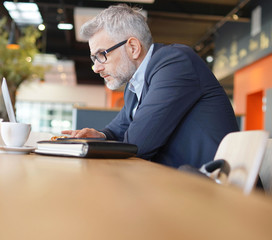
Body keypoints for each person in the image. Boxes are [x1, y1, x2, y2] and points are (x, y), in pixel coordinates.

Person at [62, 4, 239, 168]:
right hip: (181, 184)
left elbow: (137, 145)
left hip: (217, 190)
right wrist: (100, 135)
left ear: (133, 47)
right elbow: (118, 129)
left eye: (102, 55)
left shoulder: (174, 64)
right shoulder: (134, 86)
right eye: (94, 58)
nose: (96, 67)